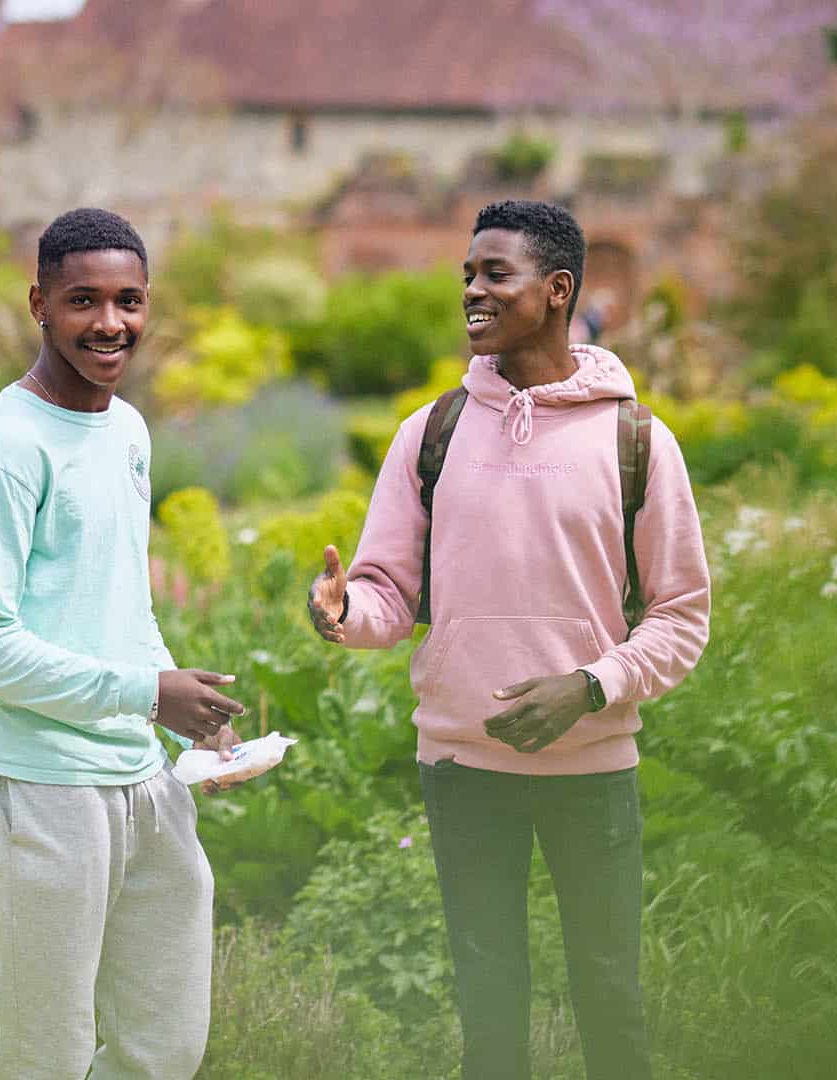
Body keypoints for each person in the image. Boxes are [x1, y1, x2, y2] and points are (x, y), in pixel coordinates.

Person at [307, 199, 711, 1080]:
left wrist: (594, 684)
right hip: (463, 765)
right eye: (467, 276)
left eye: (496, 275)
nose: (472, 292)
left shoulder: (635, 438)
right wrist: (344, 614)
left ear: (557, 290)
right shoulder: (431, 434)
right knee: (489, 1010)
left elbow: (681, 616)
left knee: (611, 1000)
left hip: (593, 766)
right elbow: (387, 593)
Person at [0, 207, 245, 1080]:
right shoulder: (5, 450)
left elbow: (119, 597)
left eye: (129, 301)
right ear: (39, 303)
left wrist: (184, 709)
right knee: (47, 1052)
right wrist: (148, 693)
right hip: (37, 780)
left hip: (139, 775)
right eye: (84, 301)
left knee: (164, 1046)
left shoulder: (126, 429)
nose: (110, 323)